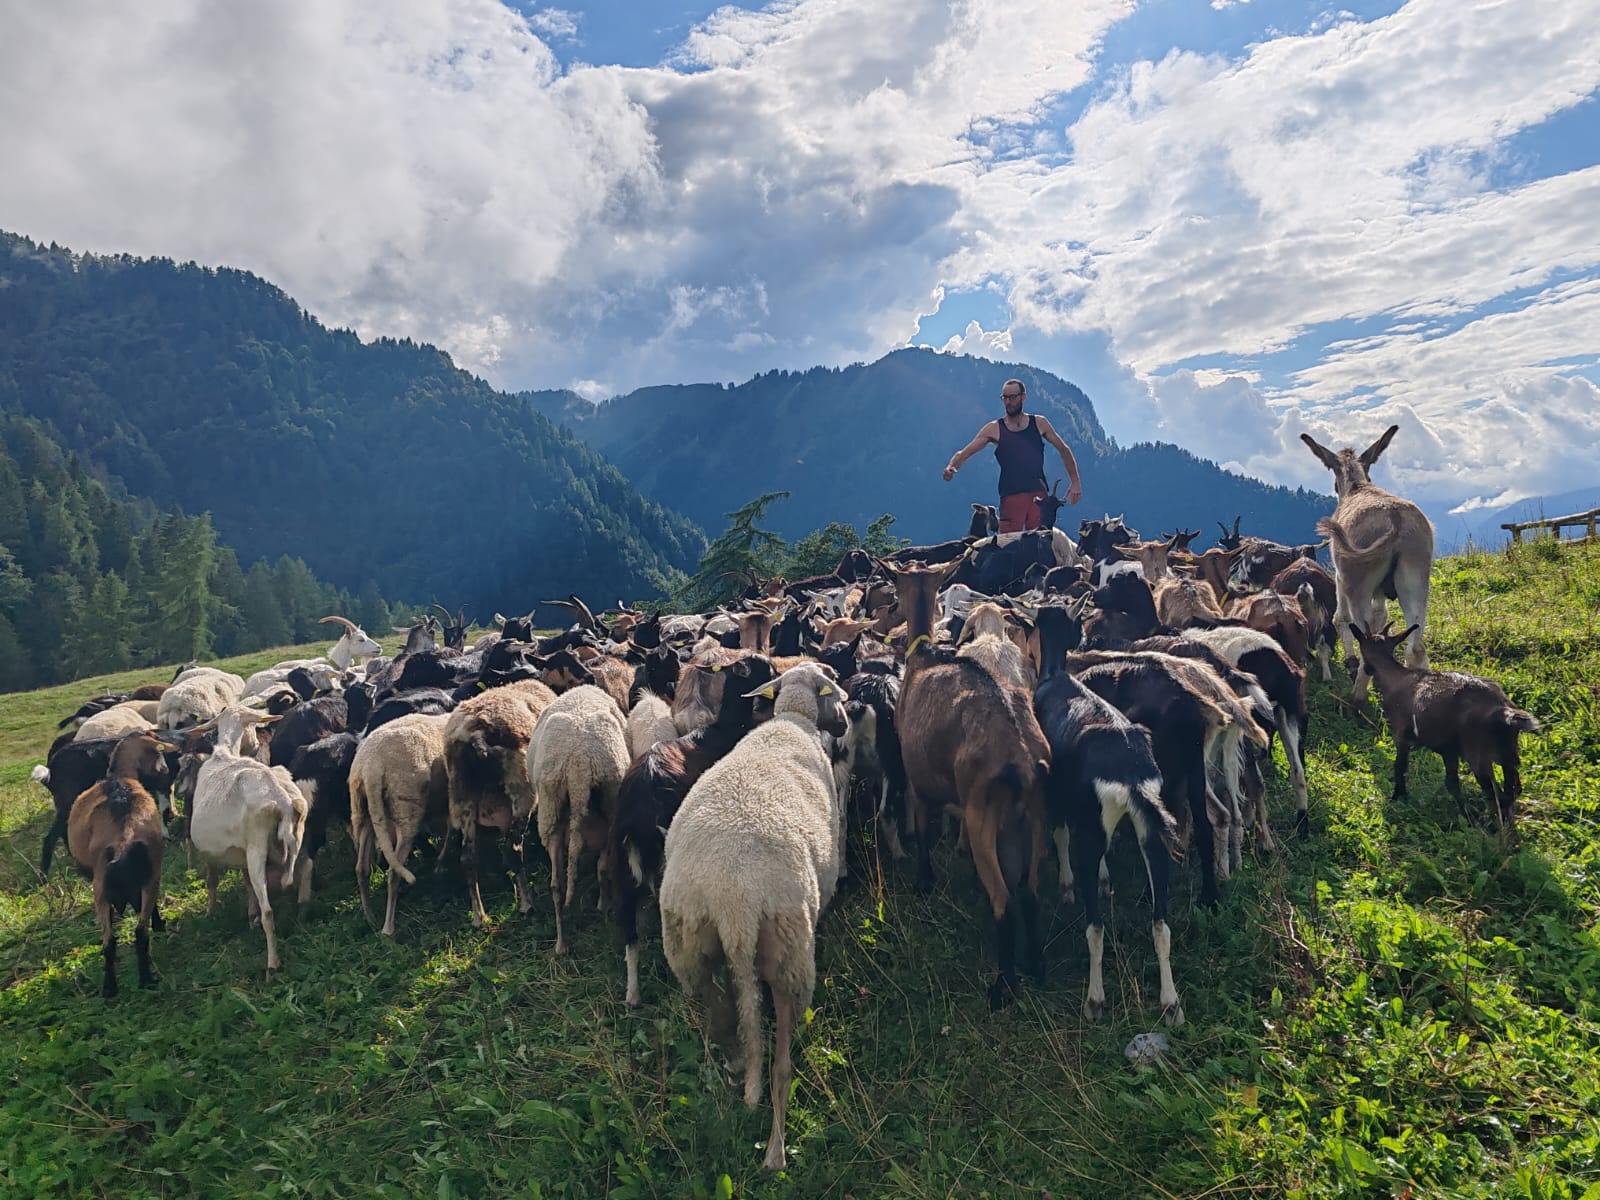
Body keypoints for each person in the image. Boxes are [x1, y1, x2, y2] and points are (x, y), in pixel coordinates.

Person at [943, 378, 1082, 532]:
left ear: (1023, 397)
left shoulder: (1039, 423)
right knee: (1008, 544)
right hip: (1011, 497)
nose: (1008, 402)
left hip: (1038, 497)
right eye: (1005, 398)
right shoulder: (994, 428)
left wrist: (1075, 481)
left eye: (1012, 397)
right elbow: (964, 453)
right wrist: (952, 467)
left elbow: (1063, 449)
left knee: (1041, 543)